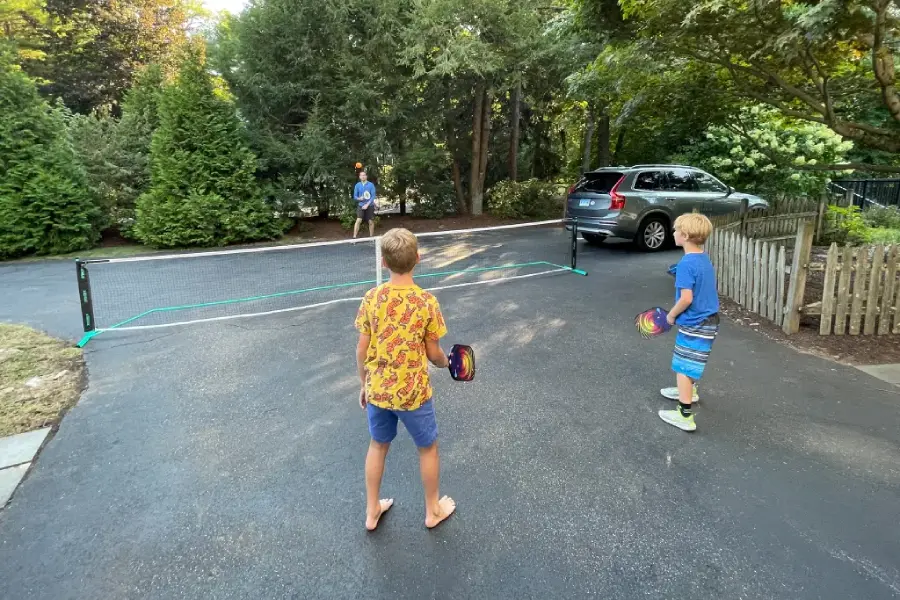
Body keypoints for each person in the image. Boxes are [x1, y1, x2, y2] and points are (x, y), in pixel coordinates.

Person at [354, 228, 457, 530]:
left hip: (378, 391)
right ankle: (432, 511)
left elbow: (362, 349)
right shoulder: (427, 302)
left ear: (383, 263)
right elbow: (434, 353)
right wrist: (445, 362)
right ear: (418, 258)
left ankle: (372, 511)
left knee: (377, 445)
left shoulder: (372, 298)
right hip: (413, 394)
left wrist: (364, 383)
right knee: (427, 448)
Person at [658, 213, 719, 432]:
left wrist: (671, 315)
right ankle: (689, 392)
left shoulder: (686, 264)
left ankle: (685, 415)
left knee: (683, 366)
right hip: (709, 321)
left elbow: (686, 298)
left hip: (695, 323)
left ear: (684, 235)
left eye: (675, 230)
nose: (673, 233)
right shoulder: (703, 258)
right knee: (693, 360)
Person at [353, 170, 377, 239]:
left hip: (370, 205)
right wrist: (359, 198)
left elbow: (373, 196)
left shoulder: (371, 185)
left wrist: (367, 204)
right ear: (359, 177)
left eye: (364, 175)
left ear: (366, 176)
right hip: (360, 205)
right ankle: (354, 237)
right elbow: (355, 196)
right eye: (361, 175)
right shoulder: (357, 185)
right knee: (358, 220)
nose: (363, 176)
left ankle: (371, 237)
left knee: (370, 222)